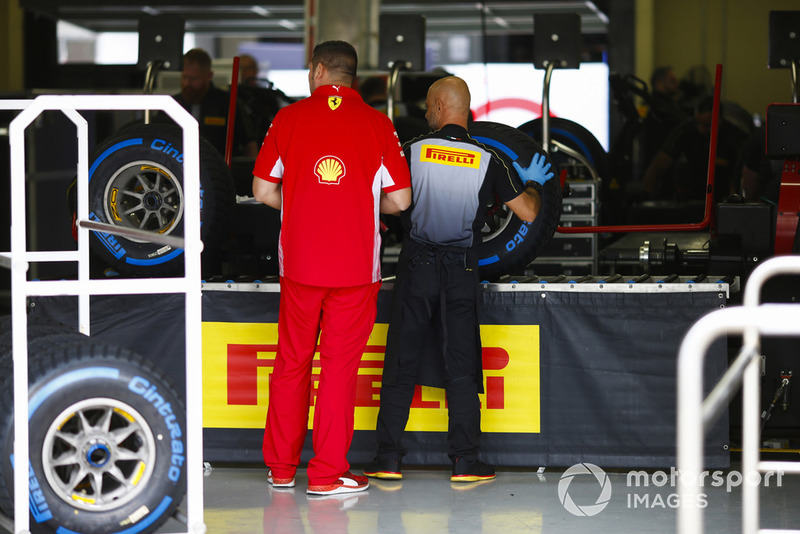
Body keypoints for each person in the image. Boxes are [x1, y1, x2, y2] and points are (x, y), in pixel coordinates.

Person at [363, 76, 553, 483]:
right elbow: (529, 213)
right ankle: (465, 462)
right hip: (461, 271)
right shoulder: (489, 159)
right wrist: (532, 180)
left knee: (400, 361)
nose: (426, 113)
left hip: (415, 267)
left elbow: (386, 203)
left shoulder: (412, 150)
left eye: (428, 107)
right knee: (462, 365)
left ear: (437, 106)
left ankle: (387, 459)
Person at [252, 40, 412, 496]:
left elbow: (263, 190)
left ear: (319, 70)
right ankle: (325, 475)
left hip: (299, 265)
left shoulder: (287, 119)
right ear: (352, 77)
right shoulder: (378, 124)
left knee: (291, 363)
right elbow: (401, 201)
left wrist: (299, 202)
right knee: (338, 369)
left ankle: (281, 469)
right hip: (355, 271)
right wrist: (361, 202)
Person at [642, 95, 748, 203]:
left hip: (721, 198)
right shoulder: (686, 130)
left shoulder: (734, 137)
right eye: (698, 123)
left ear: (720, 120)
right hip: (690, 197)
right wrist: (645, 196)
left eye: (707, 125)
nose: (701, 129)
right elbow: (658, 165)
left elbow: (740, 179)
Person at [172, 48, 258, 157]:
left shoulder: (228, 103)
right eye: (184, 77)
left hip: (219, 170)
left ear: (209, 76)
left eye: (194, 78)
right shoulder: (171, 105)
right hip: (177, 169)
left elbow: (249, 145)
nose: (188, 83)